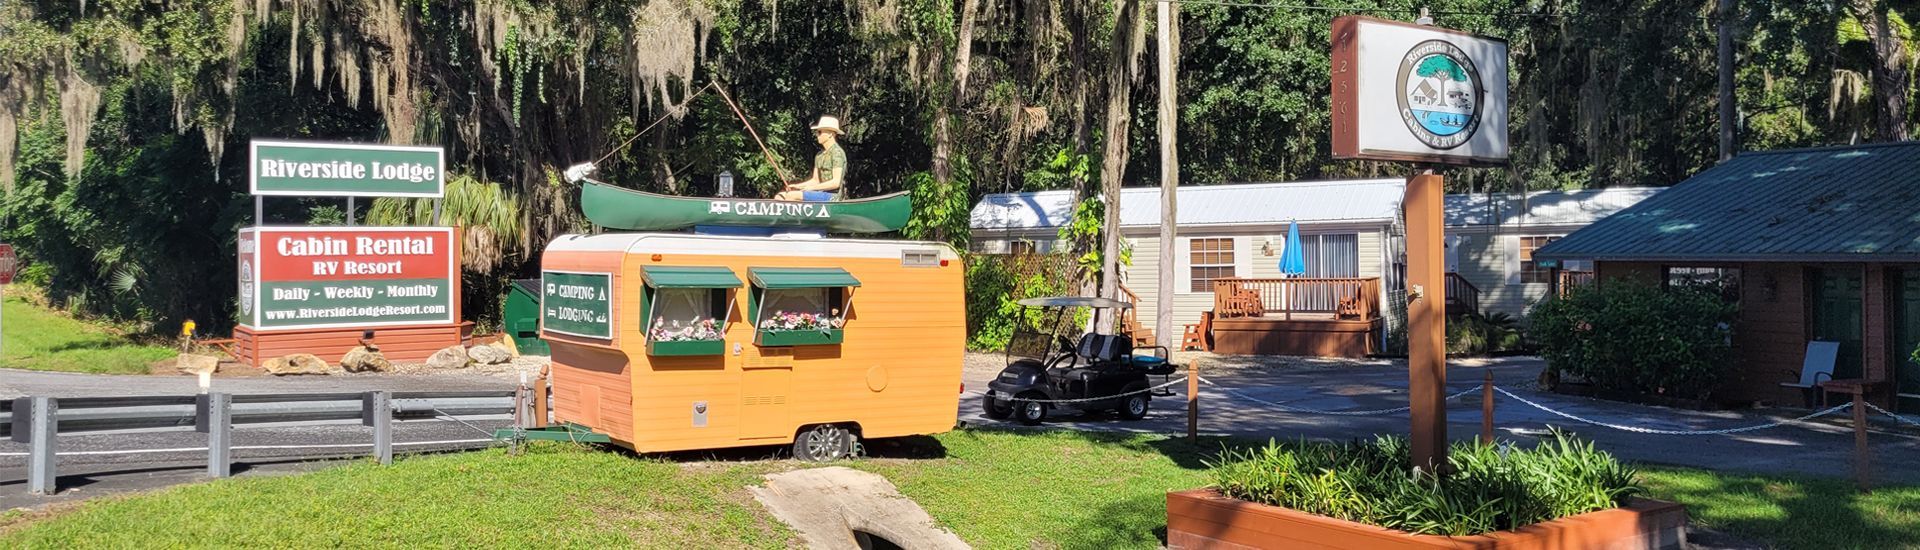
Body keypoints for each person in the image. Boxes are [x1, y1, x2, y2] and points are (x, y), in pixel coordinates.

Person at [775, 116, 847, 201]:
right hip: (819, 193)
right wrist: (797, 186)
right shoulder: (819, 155)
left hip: (833, 196)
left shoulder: (837, 153)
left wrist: (811, 188)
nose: (817, 135)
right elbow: (815, 180)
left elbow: (836, 183)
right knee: (780, 196)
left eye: (820, 132)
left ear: (830, 134)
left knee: (791, 196)